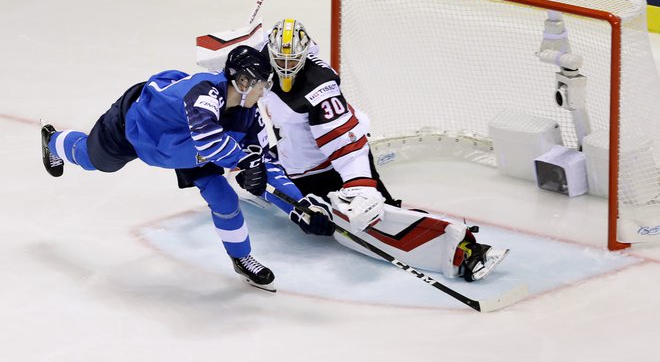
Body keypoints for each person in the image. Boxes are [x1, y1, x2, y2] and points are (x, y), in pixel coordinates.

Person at [257, 19, 509, 282]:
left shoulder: (320, 88)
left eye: (293, 59)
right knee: (320, 214)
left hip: (330, 165)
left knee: (375, 216)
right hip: (296, 161)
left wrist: (360, 187)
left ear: (305, 53)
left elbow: (346, 145)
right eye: (280, 59)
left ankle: (466, 250)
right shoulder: (263, 58)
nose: (286, 66)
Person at [41, 45, 292, 292]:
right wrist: (244, 162)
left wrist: (293, 200)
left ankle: (241, 258)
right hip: (135, 126)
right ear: (244, 82)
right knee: (94, 161)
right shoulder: (204, 93)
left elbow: (262, 159)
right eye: (263, 85)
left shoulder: (249, 115)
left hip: (184, 151)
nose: (264, 92)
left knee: (223, 197)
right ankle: (52, 141)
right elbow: (209, 141)